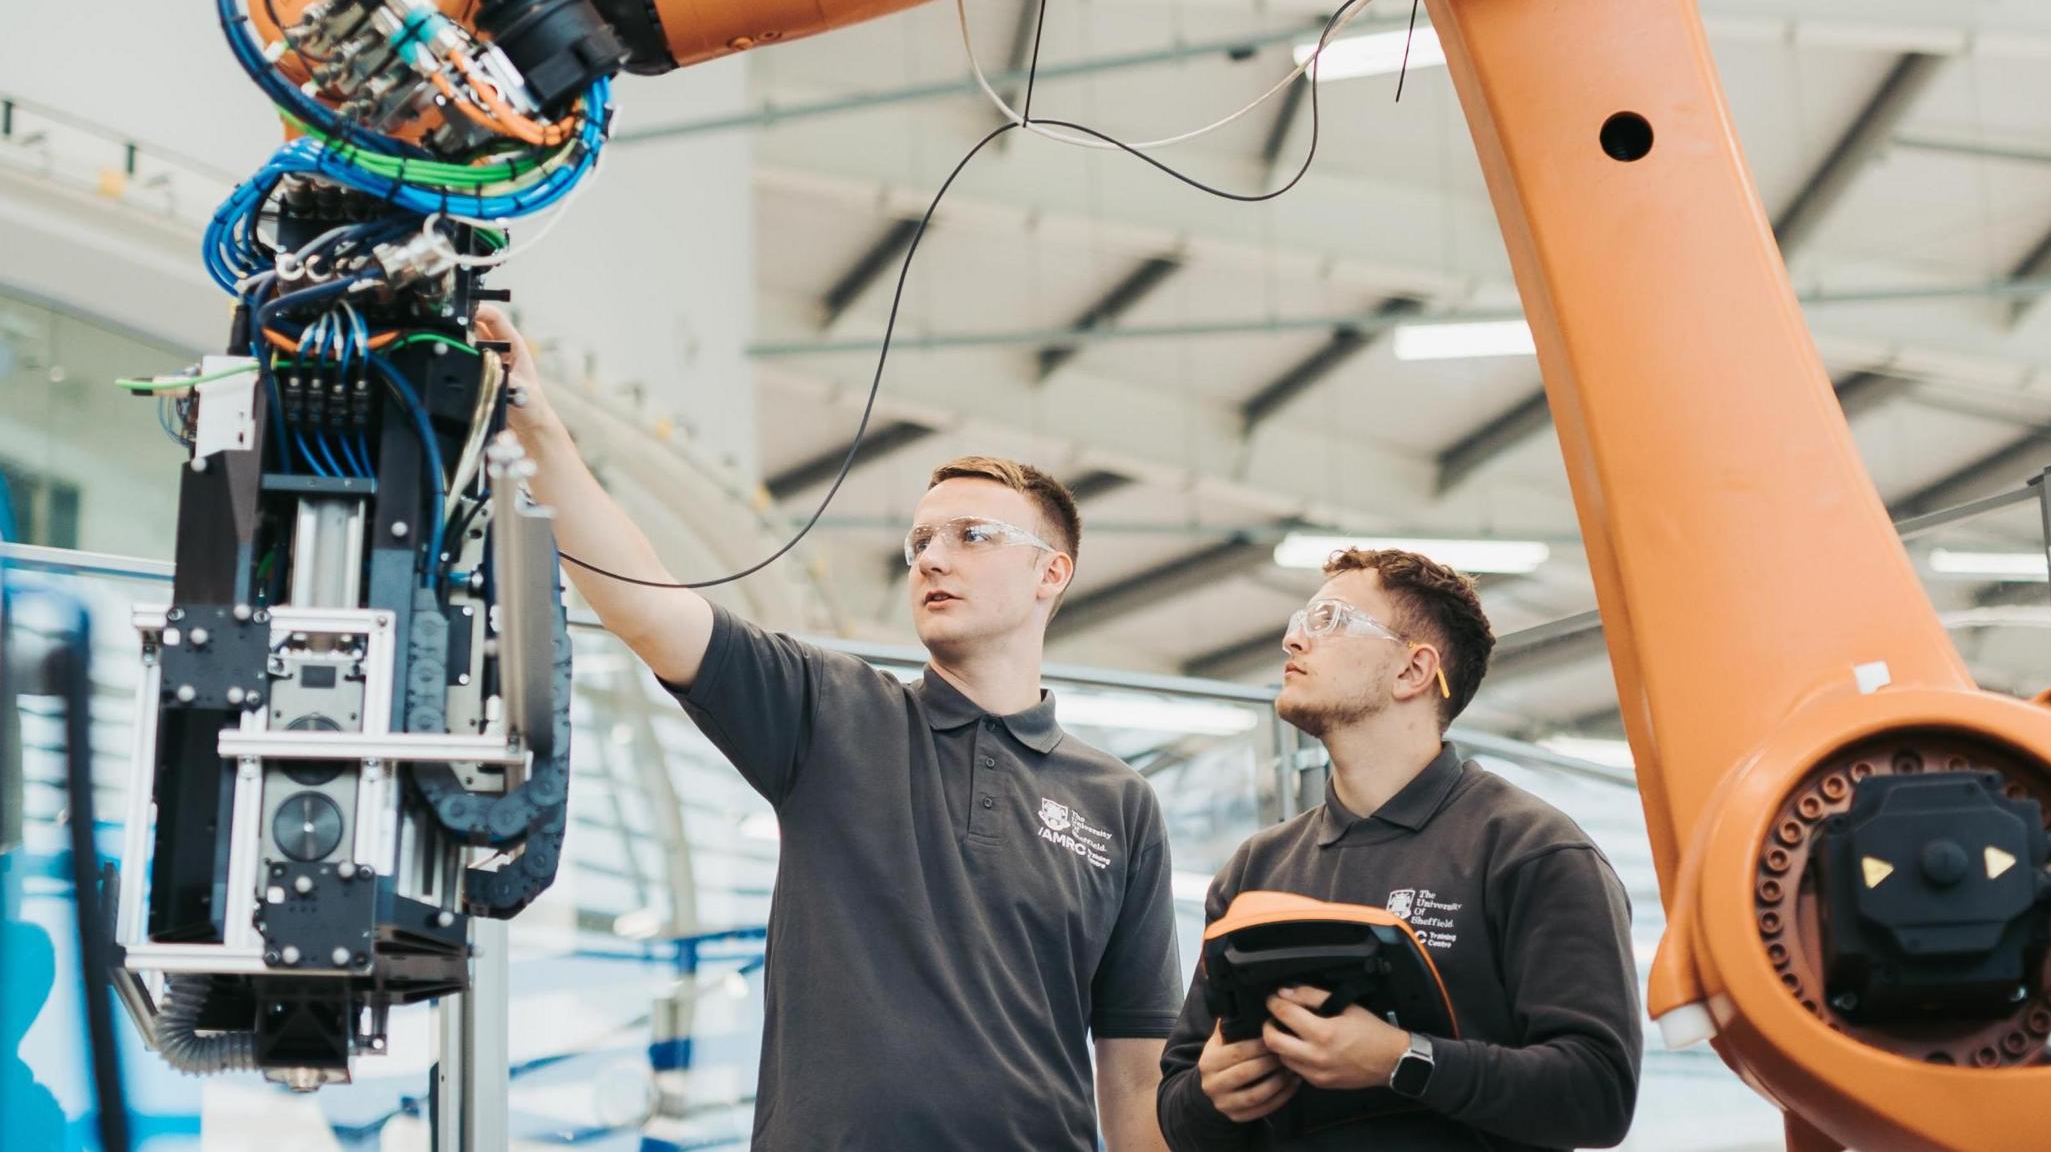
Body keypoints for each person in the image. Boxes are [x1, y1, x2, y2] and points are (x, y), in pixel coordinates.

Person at [478, 307, 1178, 1152]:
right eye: (920, 539)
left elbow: (1137, 1077)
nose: (931, 556)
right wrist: (540, 430)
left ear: (1051, 571)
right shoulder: (828, 708)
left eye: (972, 535)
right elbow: (645, 602)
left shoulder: (1119, 803)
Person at [1157, 548, 1644, 1151]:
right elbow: (1178, 1107)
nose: (1294, 642)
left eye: (1330, 621)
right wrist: (1212, 1096)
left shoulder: (1533, 851)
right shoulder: (1257, 868)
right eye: (1299, 623)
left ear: (1413, 671)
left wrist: (1404, 1061)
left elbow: (1597, 1095)